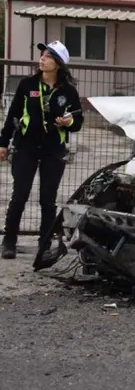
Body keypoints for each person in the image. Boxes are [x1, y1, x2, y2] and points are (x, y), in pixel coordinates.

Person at [0, 41, 84, 259]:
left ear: (58, 64)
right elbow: (12, 116)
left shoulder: (68, 91)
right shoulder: (27, 85)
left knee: (48, 199)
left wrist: (68, 123)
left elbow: (78, 121)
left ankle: (44, 243)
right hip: (25, 147)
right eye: (42, 55)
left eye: (48, 56)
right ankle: (9, 241)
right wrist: (3, 142)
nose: (42, 58)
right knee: (19, 196)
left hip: (53, 150)